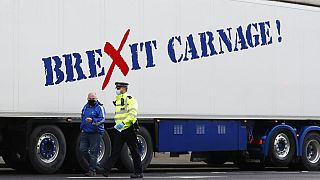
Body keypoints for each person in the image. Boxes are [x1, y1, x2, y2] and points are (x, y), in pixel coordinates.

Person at [102, 82, 143, 178]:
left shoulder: (129, 99)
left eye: (119, 87)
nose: (117, 89)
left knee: (134, 151)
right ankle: (106, 170)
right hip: (120, 129)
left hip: (128, 128)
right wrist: (118, 125)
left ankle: (139, 172)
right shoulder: (118, 100)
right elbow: (119, 115)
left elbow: (132, 115)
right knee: (115, 150)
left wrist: (123, 123)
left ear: (124, 88)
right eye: (117, 87)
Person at [79, 92, 106, 177]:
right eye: (90, 99)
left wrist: (93, 121)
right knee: (82, 149)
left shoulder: (100, 107)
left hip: (95, 132)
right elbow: (82, 116)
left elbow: (102, 119)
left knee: (94, 152)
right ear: (87, 99)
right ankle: (94, 164)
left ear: (96, 98)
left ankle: (92, 170)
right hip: (85, 132)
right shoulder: (85, 106)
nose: (91, 100)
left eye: (93, 99)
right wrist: (82, 127)